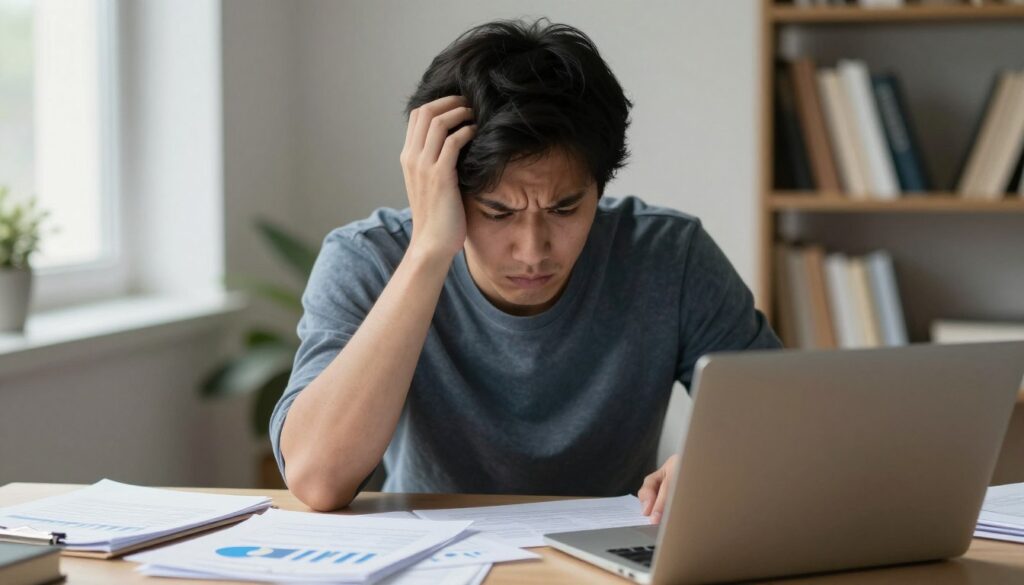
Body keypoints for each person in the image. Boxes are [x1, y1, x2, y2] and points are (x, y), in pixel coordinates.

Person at [270, 18, 780, 520]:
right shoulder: (368, 259)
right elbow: (317, 480)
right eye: (498, 212)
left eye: (564, 209)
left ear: (599, 189)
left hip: (604, 565)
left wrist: (715, 465)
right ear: (441, 186)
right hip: (431, 561)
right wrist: (429, 250)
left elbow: (785, 418)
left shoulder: (670, 257)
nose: (533, 250)